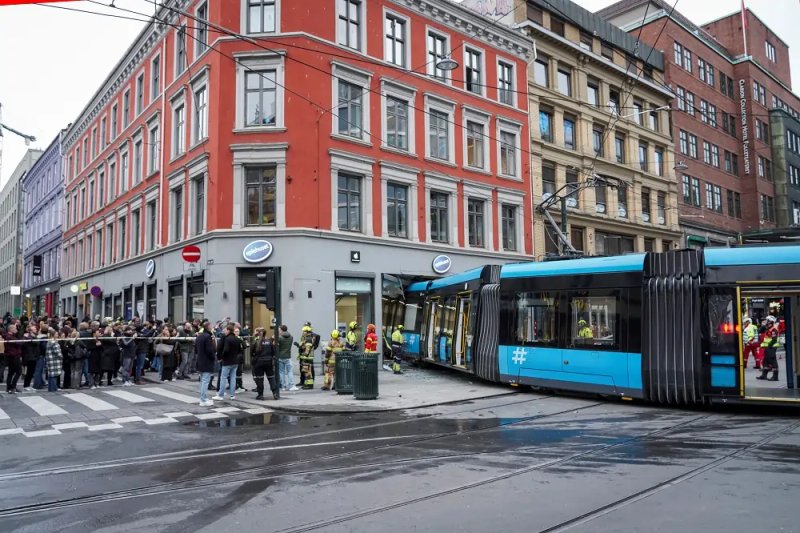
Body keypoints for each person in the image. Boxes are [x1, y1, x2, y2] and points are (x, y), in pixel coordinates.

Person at [213, 325, 241, 401]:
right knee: (233, 378)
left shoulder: (227, 339)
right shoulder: (237, 339)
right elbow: (239, 350)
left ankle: (220, 395)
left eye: (225, 330)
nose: (224, 331)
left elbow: (226, 350)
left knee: (223, 378)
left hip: (227, 361)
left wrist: (221, 357)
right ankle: (232, 395)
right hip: (235, 361)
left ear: (228, 330)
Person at [252, 329, 279, 400]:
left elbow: (252, 353)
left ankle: (260, 395)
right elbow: (273, 352)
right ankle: (275, 393)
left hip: (259, 363)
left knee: (260, 379)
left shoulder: (256, 342)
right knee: (271, 377)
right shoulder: (269, 342)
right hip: (268, 362)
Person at [195, 321, 217, 407]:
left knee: (202, 381)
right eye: (211, 325)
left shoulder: (200, 336)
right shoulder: (207, 336)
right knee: (205, 381)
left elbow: (196, 349)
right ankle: (203, 400)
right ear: (208, 327)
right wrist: (213, 357)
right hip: (206, 361)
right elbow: (209, 350)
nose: (212, 327)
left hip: (200, 360)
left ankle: (203, 398)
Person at [757, 315, 780, 381]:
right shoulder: (768, 328)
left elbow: (774, 339)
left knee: (773, 361)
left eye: (767, 320)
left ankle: (775, 377)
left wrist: (769, 345)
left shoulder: (774, 329)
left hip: (772, 347)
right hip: (767, 347)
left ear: (770, 322)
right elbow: (760, 331)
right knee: (765, 361)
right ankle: (764, 375)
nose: (766, 321)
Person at [276, 325, 297, 392]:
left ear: (281, 330)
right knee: (289, 371)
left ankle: (283, 386)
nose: (278, 331)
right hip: (288, 356)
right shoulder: (291, 337)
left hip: (280, 356)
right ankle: (292, 385)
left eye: (279, 329)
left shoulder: (279, 337)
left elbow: (277, 346)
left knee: (281, 372)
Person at [3, 324, 22, 393]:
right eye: (14, 328)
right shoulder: (9, 337)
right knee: (18, 371)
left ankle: (9, 388)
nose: (16, 329)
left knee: (11, 373)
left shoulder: (10, 336)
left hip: (12, 356)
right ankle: (12, 386)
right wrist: (18, 333)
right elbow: (19, 343)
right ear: (11, 329)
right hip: (14, 356)